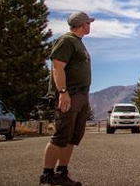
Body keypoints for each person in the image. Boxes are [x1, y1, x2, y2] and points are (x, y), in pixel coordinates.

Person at [40, 12, 95, 186]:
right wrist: (63, 92)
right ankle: (47, 175)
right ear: (82, 24)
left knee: (72, 136)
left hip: (81, 95)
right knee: (61, 134)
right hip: (69, 94)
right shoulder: (66, 41)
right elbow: (57, 67)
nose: (90, 25)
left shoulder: (78, 43)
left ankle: (61, 173)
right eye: (88, 22)